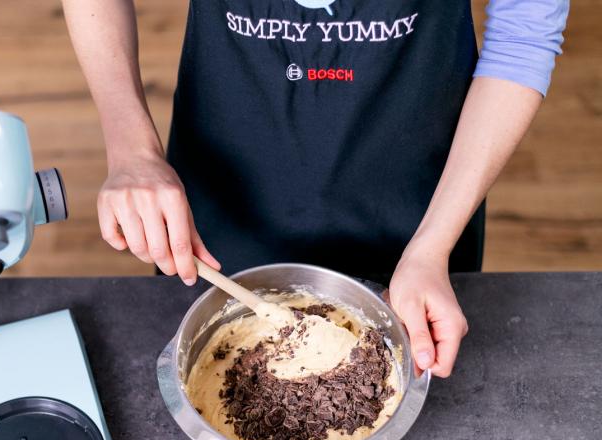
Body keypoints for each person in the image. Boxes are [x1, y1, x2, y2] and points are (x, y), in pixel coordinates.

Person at [61, 0, 569, 377]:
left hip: (420, 195)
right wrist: (132, 151)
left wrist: (432, 247)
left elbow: (523, 36)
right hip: (223, 185)